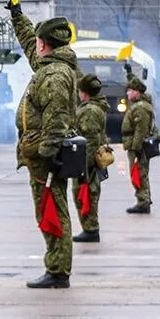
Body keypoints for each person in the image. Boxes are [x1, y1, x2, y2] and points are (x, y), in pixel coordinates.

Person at [6, 0, 79, 288]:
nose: (34, 44)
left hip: (45, 156)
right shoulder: (52, 65)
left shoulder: (54, 75)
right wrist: (16, 15)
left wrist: (48, 153)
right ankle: (56, 266)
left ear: (45, 43)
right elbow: (28, 42)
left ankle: (58, 270)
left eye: (38, 40)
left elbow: (57, 117)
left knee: (53, 210)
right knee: (48, 209)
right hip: (39, 153)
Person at [72, 73, 108, 242]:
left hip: (87, 162)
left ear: (84, 93)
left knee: (86, 193)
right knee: (89, 193)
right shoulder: (96, 107)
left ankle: (91, 229)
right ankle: (90, 228)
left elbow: (90, 140)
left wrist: (83, 167)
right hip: (90, 160)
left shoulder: (88, 111)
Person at [122, 74, 155, 213]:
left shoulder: (140, 108)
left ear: (137, 92)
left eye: (130, 90)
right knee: (141, 172)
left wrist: (136, 148)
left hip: (137, 146)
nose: (128, 93)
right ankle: (145, 199)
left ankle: (143, 201)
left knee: (139, 172)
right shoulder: (139, 105)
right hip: (135, 145)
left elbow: (140, 131)